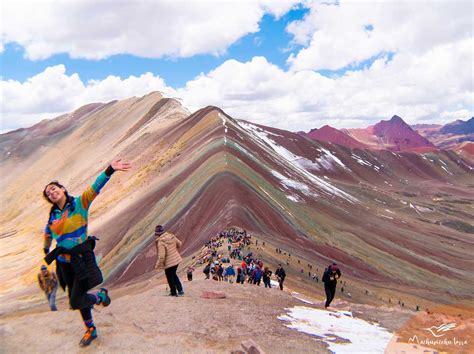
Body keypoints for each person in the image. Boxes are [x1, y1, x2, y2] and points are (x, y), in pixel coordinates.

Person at [42, 159, 130, 346]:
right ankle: (91, 329)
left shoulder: (80, 203)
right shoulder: (53, 216)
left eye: (54, 188)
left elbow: (94, 188)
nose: (51, 192)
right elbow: (48, 232)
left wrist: (110, 170)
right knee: (78, 298)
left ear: (63, 189)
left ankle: (100, 297)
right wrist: (46, 247)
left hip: (81, 260)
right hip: (65, 264)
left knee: (75, 301)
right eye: (48, 193)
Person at [155, 224, 184, 297]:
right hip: (176, 259)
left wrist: (158, 265)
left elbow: (162, 256)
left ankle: (174, 293)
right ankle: (180, 290)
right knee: (173, 275)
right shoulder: (171, 236)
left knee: (169, 277)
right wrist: (173, 249)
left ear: (158, 234)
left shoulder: (161, 242)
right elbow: (179, 244)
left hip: (169, 263)